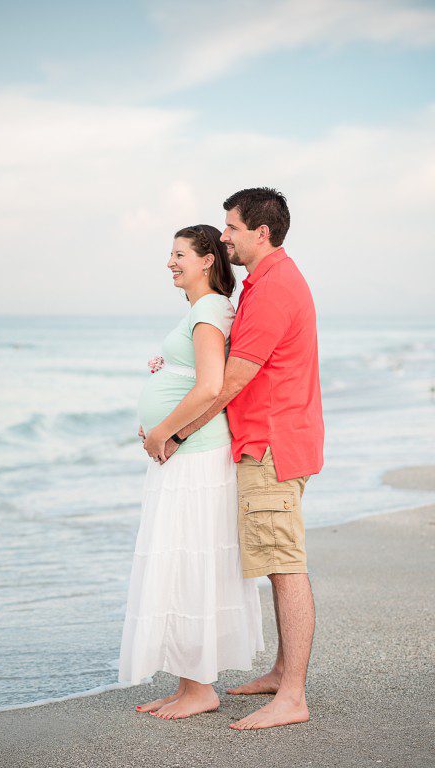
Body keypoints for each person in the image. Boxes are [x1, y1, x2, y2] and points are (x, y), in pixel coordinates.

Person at [161, 188, 324, 730]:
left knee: (282, 564)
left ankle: (293, 696)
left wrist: (178, 433)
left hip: (271, 441)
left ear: (261, 232)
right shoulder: (265, 282)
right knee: (274, 559)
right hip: (269, 438)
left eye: (230, 227)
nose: (223, 235)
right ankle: (282, 671)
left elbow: (233, 379)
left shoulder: (275, 286)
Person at [119, 224, 264, 720]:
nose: (170, 263)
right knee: (183, 561)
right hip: (186, 452)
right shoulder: (206, 311)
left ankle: (200, 689)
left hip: (195, 456)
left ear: (206, 260)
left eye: (179, 254)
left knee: (189, 563)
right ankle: (189, 686)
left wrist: (163, 433)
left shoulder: (208, 310)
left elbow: (209, 388)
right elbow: (196, 377)